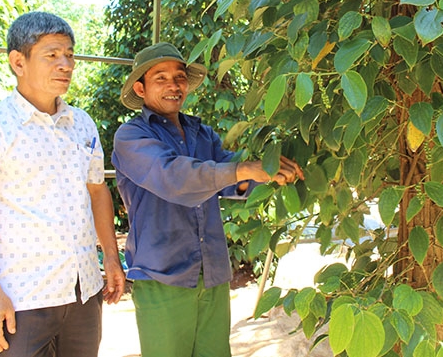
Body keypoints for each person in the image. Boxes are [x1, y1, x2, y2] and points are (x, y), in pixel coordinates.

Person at [0, 11, 125, 357]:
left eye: (70, 54)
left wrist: (111, 259)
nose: (66, 64)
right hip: (22, 298)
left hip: (83, 292)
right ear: (18, 62)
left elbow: (97, 192)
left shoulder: (82, 124)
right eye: (52, 54)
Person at [112, 41, 304, 357]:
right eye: (160, 78)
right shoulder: (131, 136)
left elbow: (232, 183)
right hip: (163, 277)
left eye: (179, 77)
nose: (173, 85)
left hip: (212, 273)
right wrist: (243, 168)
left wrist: (273, 173)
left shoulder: (201, 133)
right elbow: (175, 177)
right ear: (140, 88)